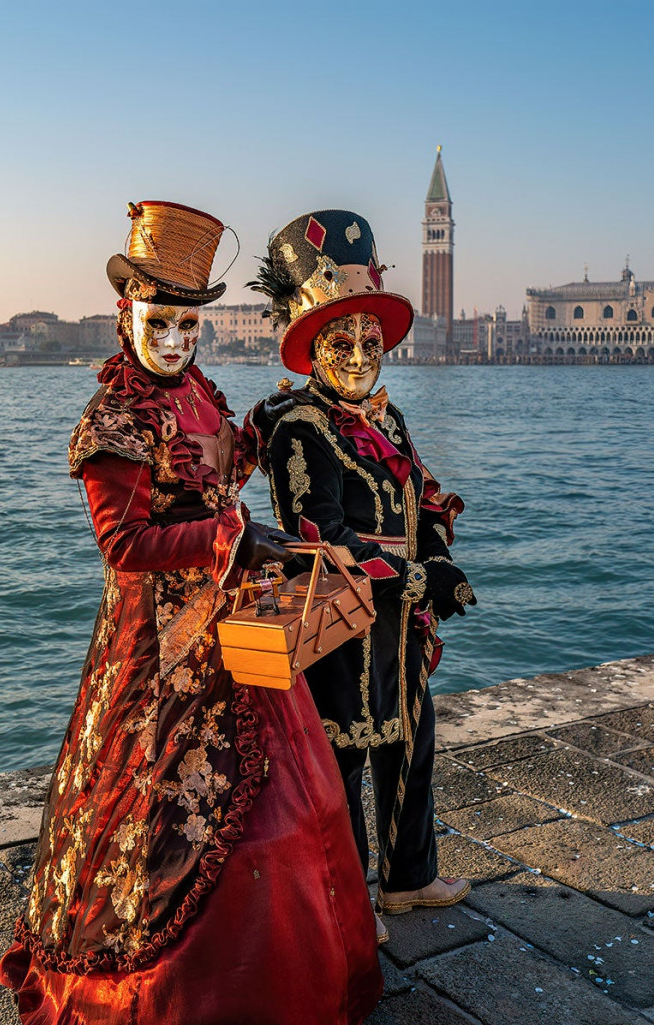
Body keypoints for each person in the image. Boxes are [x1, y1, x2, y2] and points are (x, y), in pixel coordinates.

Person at [0, 200, 382, 1025]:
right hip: (156, 648)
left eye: (188, 325)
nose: (173, 341)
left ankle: (295, 992)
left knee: (288, 802)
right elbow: (124, 546)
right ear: (125, 315)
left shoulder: (199, 392)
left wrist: (276, 469)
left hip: (230, 623)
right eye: (158, 323)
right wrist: (226, 536)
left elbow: (224, 475)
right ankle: (183, 1012)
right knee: (163, 822)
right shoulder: (113, 418)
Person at [248, 210, 477, 944]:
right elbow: (318, 534)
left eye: (368, 341)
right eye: (340, 343)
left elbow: (424, 495)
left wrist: (438, 558)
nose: (356, 355)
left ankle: (408, 878)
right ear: (313, 350)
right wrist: (413, 577)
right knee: (341, 760)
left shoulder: (390, 418)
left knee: (412, 739)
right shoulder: (298, 428)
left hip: (398, 626)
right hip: (338, 623)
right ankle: (348, 904)